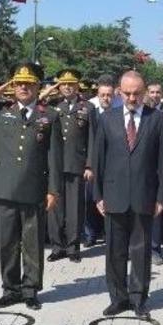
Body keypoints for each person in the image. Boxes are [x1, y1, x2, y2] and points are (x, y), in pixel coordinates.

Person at [0, 63, 63, 311]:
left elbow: (54, 156)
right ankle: (10, 289)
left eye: (29, 83)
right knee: (8, 242)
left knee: (32, 242)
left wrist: (53, 190)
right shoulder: (1, 113)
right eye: (18, 83)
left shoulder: (50, 115)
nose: (23, 87)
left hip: (34, 188)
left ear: (37, 86)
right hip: (5, 187)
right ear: (12, 86)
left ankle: (31, 289)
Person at [94, 70, 163, 319]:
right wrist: (98, 196)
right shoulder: (106, 119)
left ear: (145, 91)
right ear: (119, 91)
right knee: (114, 251)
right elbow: (99, 161)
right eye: (127, 93)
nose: (132, 97)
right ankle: (118, 298)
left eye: (137, 93)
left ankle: (138, 298)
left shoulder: (158, 119)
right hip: (114, 195)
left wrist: (160, 197)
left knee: (140, 251)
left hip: (144, 196)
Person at [48, 68, 95, 263]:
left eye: (71, 84)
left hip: (76, 164)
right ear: (59, 86)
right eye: (64, 84)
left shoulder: (87, 108)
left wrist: (89, 165)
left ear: (77, 86)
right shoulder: (51, 106)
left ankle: (73, 247)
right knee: (55, 208)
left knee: (75, 208)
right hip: (54, 165)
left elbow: (92, 138)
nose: (67, 87)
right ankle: (57, 246)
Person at [83, 76, 115, 247]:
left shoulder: (119, 109)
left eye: (109, 95)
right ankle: (90, 234)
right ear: (98, 94)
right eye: (103, 95)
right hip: (93, 162)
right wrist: (89, 164)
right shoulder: (89, 109)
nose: (106, 98)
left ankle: (107, 232)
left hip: (112, 163)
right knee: (90, 199)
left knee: (108, 198)